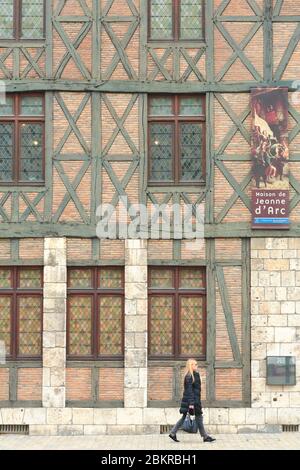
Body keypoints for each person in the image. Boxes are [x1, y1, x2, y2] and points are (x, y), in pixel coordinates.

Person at [169, 358, 216, 443]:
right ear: (191, 365)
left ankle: (173, 433)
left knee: (194, 417)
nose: (197, 366)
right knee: (197, 417)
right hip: (192, 401)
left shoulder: (194, 374)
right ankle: (205, 436)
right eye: (195, 364)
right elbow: (189, 391)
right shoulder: (189, 376)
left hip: (194, 400)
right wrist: (191, 403)